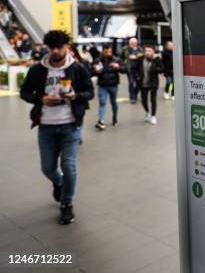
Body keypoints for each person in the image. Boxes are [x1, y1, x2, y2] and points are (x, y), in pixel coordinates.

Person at [20, 30, 94, 225]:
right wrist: (41, 99)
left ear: (66, 48)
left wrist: (75, 96)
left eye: (59, 47)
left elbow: (90, 92)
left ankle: (66, 203)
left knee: (69, 166)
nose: (55, 51)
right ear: (47, 48)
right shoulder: (37, 70)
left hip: (70, 125)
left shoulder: (78, 68)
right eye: (51, 47)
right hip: (46, 126)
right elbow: (25, 92)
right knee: (47, 168)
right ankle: (58, 182)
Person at [93, 44, 126, 130]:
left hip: (113, 85)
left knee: (113, 102)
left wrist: (118, 67)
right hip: (102, 85)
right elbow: (91, 71)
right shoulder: (98, 60)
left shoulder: (116, 59)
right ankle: (101, 121)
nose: (108, 53)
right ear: (103, 51)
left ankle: (114, 118)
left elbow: (125, 69)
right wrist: (96, 71)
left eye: (110, 52)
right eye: (106, 52)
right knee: (102, 102)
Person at [136, 45, 164, 125]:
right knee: (143, 100)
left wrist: (156, 69)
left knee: (153, 100)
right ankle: (147, 112)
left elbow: (162, 68)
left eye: (150, 51)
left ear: (153, 51)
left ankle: (153, 116)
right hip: (143, 83)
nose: (148, 52)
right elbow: (135, 68)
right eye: (146, 51)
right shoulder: (140, 59)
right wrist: (137, 76)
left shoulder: (156, 59)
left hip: (153, 83)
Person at [121, 37, 142, 104]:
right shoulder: (125, 49)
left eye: (135, 43)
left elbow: (143, 56)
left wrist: (140, 56)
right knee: (131, 82)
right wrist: (124, 63)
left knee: (139, 83)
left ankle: (135, 94)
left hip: (138, 69)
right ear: (129, 43)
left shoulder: (139, 49)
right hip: (129, 68)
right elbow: (121, 57)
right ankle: (132, 97)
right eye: (132, 43)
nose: (134, 44)